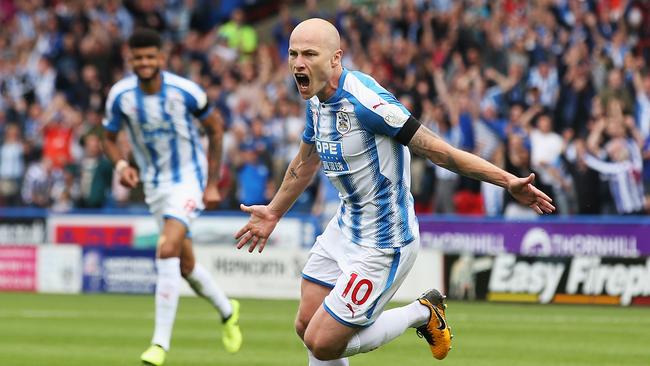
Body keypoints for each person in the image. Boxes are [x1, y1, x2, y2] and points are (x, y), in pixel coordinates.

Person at [235, 18, 555, 365]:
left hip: (385, 240)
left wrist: (507, 180)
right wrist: (274, 211)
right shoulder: (316, 99)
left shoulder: (368, 104)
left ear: (335, 59)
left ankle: (423, 312)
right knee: (306, 325)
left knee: (322, 342)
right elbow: (307, 158)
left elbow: (439, 151)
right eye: (293, 53)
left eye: (309, 54)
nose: (298, 63)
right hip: (346, 225)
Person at [101, 28, 242, 366]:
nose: (145, 63)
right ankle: (227, 310)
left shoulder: (186, 92)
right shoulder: (121, 96)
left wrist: (211, 184)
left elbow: (216, 127)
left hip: (188, 182)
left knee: (166, 248)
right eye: (139, 58)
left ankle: (159, 345)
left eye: (151, 57)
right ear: (130, 59)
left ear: (162, 58)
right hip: (154, 187)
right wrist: (121, 164)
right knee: (185, 263)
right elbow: (108, 137)